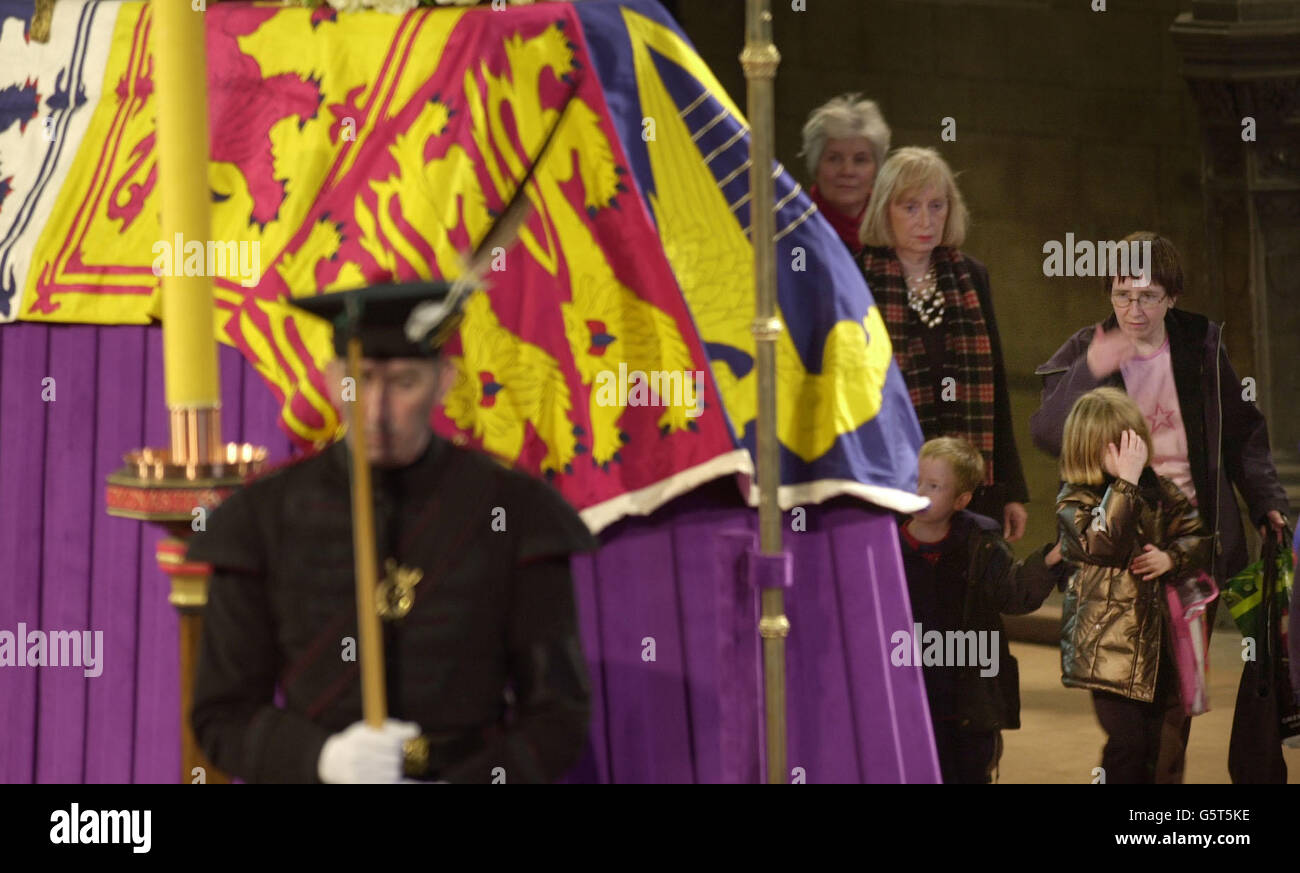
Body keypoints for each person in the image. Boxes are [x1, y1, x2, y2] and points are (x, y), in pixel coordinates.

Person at [187, 280, 597, 783]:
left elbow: (558, 717)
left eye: (404, 383)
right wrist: (322, 760)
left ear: (444, 381)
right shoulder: (260, 517)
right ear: (333, 378)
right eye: (361, 381)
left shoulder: (516, 510)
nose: (377, 410)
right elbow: (222, 715)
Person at [1029, 231, 1289, 588]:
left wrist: (1265, 501)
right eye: (1123, 296)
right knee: (1125, 645)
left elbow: (1243, 431)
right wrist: (1088, 369)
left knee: (1192, 645)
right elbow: (1047, 435)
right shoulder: (1085, 350)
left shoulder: (1202, 343)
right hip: (1120, 541)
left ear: (1172, 297)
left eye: (1148, 297)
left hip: (1193, 535)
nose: (1133, 311)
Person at [860, 146, 1029, 541]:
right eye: (911, 207)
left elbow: (996, 386)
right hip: (887, 483)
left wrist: (1011, 491)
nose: (926, 220)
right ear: (885, 210)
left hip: (969, 485)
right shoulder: (857, 277)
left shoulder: (970, 276)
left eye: (937, 206)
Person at [1055, 388, 1212, 784]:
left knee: (1163, 746)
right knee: (1128, 744)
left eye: (1132, 442)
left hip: (1161, 645)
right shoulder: (1075, 499)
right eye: (1116, 446)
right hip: (1111, 653)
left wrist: (1171, 557)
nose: (1129, 455)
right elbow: (1100, 542)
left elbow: (1198, 536)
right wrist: (1123, 484)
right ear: (1088, 449)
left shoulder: (1157, 490)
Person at [898, 437, 1065, 784]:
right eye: (915, 481)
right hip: (906, 694)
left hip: (968, 700)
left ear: (962, 500)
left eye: (933, 486)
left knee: (970, 772)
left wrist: (1050, 559)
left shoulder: (981, 542)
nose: (919, 491)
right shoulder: (885, 543)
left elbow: (1013, 593)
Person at [800, 93, 891, 256]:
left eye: (860, 160)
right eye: (834, 159)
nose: (847, 171)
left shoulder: (896, 229)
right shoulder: (796, 230)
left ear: (877, 169)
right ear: (816, 165)